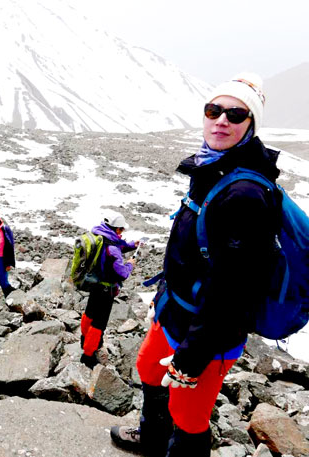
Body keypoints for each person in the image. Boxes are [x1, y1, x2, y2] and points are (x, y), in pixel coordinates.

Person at [110, 73, 279, 456]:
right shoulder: (213, 169)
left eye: (236, 115)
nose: (221, 120)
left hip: (208, 331)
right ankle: (153, 439)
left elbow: (234, 288)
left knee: (189, 416)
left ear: (251, 126)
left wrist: (193, 355)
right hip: (177, 309)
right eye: (213, 110)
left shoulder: (245, 194)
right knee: (149, 369)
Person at [79, 215, 137, 368]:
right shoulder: (112, 248)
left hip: (95, 284)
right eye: (121, 229)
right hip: (107, 290)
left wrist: (132, 245)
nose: (122, 233)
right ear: (116, 228)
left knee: (89, 313)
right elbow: (122, 273)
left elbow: (116, 246)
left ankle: (84, 339)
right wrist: (130, 264)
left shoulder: (99, 235)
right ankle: (88, 355)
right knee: (99, 324)